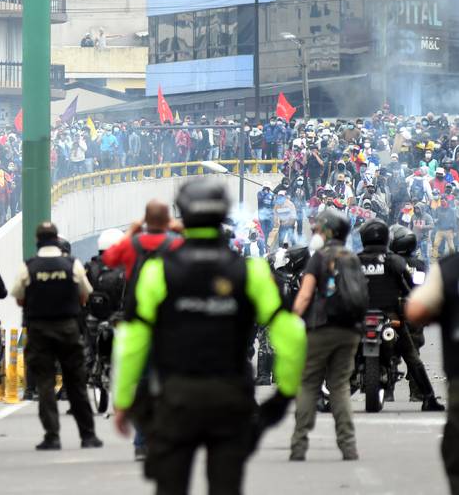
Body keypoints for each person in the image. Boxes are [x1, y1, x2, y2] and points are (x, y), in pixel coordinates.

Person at [112, 180, 306, 494]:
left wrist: (123, 400)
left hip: (175, 399)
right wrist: (283, 396)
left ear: (183, 216)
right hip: (230, 399)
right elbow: (292, 335)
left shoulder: (157, 271)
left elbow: (132, 341)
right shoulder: (252, 272)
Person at [102, 200, 183, 461]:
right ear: (168, 219)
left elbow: (109, 258)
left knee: (142, 382)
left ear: (145, 221)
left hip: (138, 323)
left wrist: (131, 231)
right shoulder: (176, 244)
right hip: (171, 323)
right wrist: (178, 230)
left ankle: (141, 441)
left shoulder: (133, 244)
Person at [12, 221, 103, 451]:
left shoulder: (29, 266)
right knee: (75, 382)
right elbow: (85, 295)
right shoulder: (72, 265)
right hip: (68, 328)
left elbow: (19, 298)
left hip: (39, 330)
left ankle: (52, 437)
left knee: (44, 383)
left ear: (37, 240)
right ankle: (88, 435)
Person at [289, 209, 363, 461]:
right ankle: (348, 446)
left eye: (319, 229)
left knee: (309, 383)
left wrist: (291, 319)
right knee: (340, 385)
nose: (315, 233)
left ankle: (299, 445)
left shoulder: (318, 258)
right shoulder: (352, 257)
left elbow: (306, 294)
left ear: (329, 232)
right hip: (350, 331)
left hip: (321, 328)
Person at [357, 218, 444, 410]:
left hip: (361, 317)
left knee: (346, 355)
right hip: (391, 315)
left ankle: (333, 396)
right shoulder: (394, 261)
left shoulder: (354, 261)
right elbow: (409, 288)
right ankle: (428, 397)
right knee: (412, 357)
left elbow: (343, 289)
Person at [404, 252, 459, 492]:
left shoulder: (450, 267)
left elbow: (416, 310)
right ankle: (424, 394)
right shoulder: (400, 263)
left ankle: (424, 394)